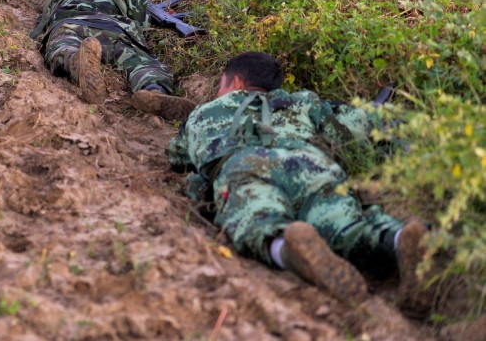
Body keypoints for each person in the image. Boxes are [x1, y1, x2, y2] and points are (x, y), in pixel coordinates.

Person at [167, 51, 431, 313]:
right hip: (311, 163)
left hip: (246, 166)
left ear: (235, 83)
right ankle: (398, 238)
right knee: (344, 224)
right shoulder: (302, 102)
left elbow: (177, 155)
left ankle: (288, 249)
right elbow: (353, 128)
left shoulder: (203, 113)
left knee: (257, 221)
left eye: (220, 85)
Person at [30, 0, 194, 118]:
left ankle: (75, 60)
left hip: (71, 24)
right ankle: (154, 90)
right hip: (114, 27)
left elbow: (46, 17)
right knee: (138, 61)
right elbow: (140, 19)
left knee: (63, 46)